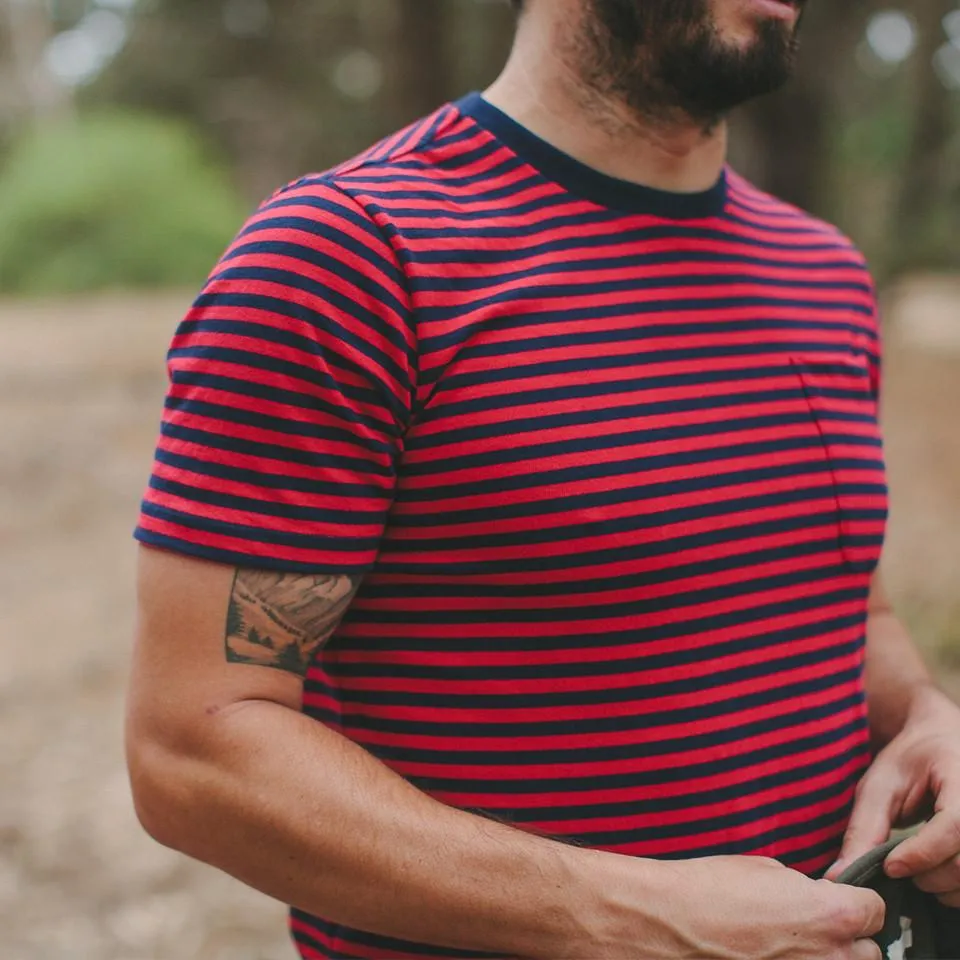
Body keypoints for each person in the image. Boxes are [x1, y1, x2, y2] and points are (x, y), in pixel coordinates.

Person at [126, 0, 960, 958]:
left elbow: (848, 605)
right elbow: (193, 751)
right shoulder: (346, 257)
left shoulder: (822, 274)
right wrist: (629, 912)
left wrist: (928, 717)